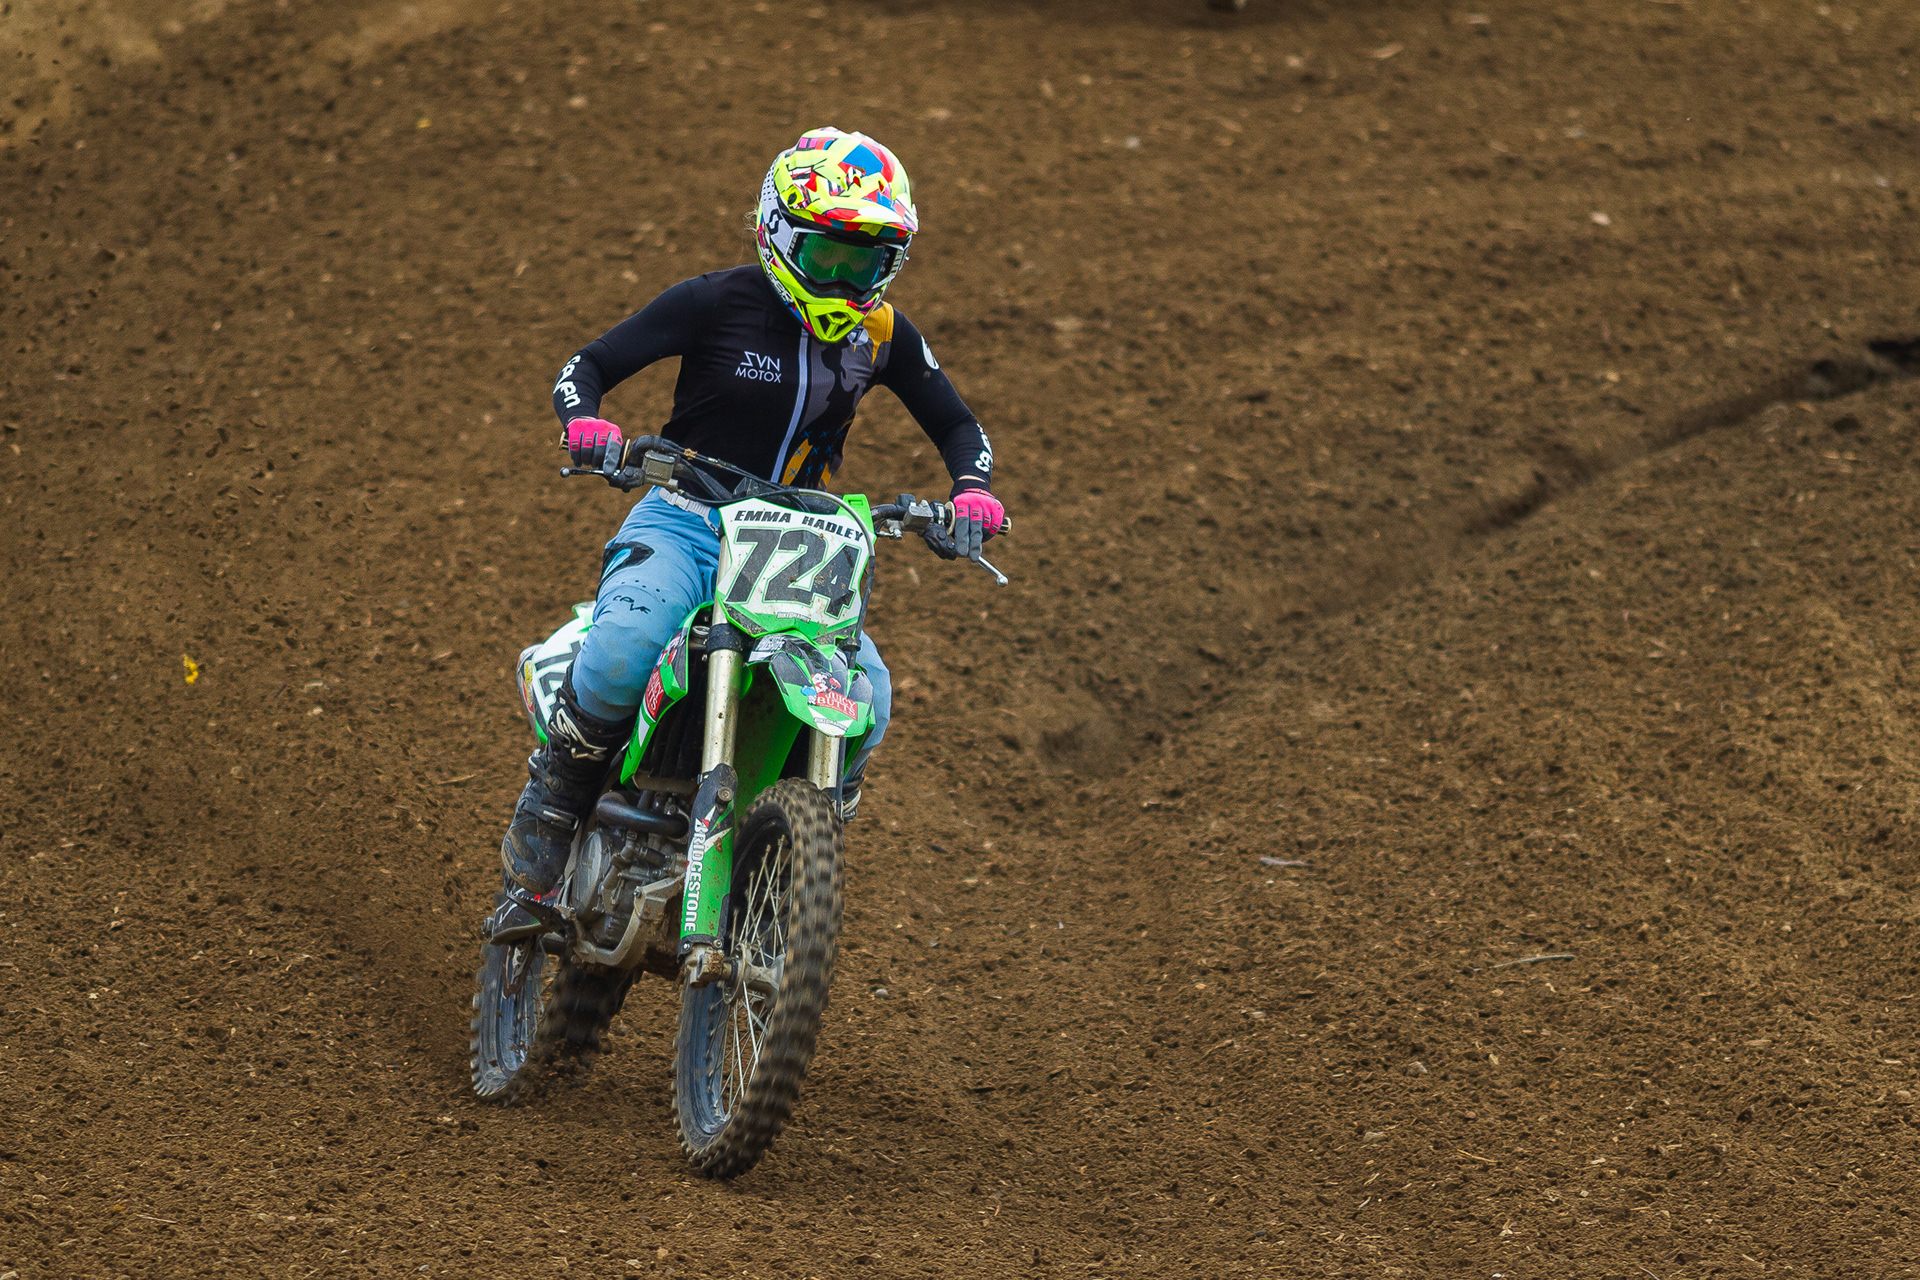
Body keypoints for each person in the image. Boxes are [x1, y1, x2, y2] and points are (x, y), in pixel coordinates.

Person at [498, 127, 1005, 911]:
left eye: (865, 262)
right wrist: (587, 424)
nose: (844, 279)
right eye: (828, 256)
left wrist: (972, 490)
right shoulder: (715, 302)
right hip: (688, 515)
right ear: (778, 232)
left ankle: (792, 843)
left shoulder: (883, 334)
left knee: (867, 699)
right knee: (628, 645)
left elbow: (959, 425)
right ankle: (555, 798)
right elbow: (586, 366)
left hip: (800, 542)